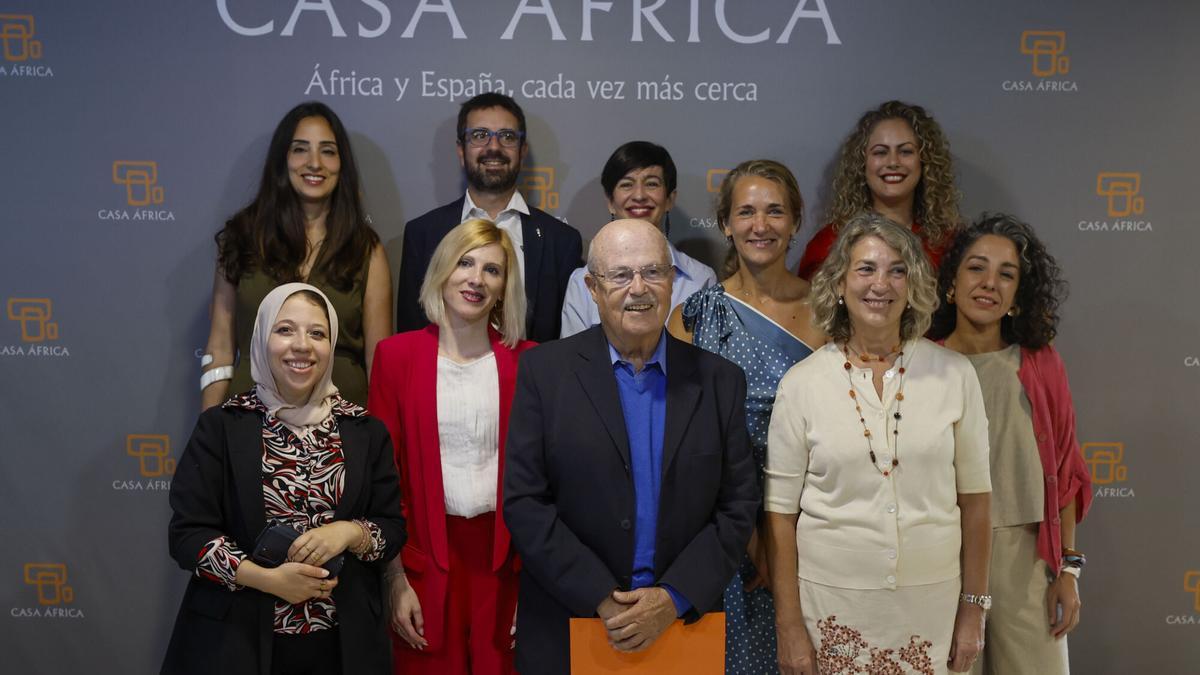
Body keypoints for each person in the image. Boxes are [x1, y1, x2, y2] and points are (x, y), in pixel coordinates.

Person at [502, 219, 759, 675]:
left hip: (682, 628)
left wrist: (672, 598)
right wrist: (601, 596)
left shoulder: (721, 381)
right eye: (620, 275)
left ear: (672, 282)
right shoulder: (544, 373)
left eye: (653, 272)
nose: (638, 288)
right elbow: (525, 502)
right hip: (572, 620)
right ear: (592, 288)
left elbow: (737, 506)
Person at [766, 213, 992, 675]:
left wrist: (974, 608)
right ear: (839, 282)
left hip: (933, 611)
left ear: (913, 285)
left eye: (897, 270)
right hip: (829, 610)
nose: (880, 284)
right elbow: (779, 515)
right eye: (866, 268)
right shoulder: (802, 385)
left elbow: (977, 503)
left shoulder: (955, 375)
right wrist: (788, 625)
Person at [164, 283, 405, 675]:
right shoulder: (221, 427)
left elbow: (392, 528)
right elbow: (187, 535)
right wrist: (265, 579)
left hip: (344, 647)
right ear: (261, 338)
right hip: (236, 644)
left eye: (317, 333)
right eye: (285, 330)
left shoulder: (364, 430)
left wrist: (347, 533)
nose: (302, 346)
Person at [666, 159, 824, 674]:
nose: (761, 225)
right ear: (726, 224)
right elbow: (681, 445)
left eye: (775, 211)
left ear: (796, 221)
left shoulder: (833, 313)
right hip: (725, 535)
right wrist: (745, 533)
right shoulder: (692, 318)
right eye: (747, 212)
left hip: (818, 526)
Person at [368, 219, 535, 675]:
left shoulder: (531, 362)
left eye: (492, 270)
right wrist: (395, 578)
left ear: (504, 288)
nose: (476, 279)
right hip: (423, 566)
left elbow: (545, 483)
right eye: (465, 263)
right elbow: (384, 481)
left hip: (506, 569)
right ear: (443, 270)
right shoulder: (395, 358)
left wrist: (536, 588)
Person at [928, 214, 1092, 674]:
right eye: (977, 268)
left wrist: (1068, 570)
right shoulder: (921, 363)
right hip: (943, 558)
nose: (989, 283)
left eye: (1007, 274)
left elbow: (1067, 471)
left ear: (1019, 295)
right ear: (951, 281)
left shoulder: (1041, 364)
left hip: (1027, 561)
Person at [201, 101, 392, 409]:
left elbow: (379, 363)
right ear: (282, 159)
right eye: (300, 149)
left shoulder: (366, 249)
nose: (314, 162)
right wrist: (208, 433)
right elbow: (220, 346)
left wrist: (378, 446)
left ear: (341, 164)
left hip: (340, 427)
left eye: (328, 151)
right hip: (251, 421)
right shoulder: (241, 238)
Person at [396, 92, 582, 342]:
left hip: (530, 380)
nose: (494, 147)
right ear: (461, 151)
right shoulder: (423, 234)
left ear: (522, 150)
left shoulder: (561, 241)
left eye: (507, 136)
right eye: (480, 135)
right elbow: (411, 338)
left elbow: (568, 346)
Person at [561, 141, 715, 337]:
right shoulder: (582, 281)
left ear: (669, 199)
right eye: (626, 184)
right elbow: (575, 359)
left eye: (651, 184)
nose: (640, 195)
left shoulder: (701, 279)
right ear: (610, 201)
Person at [795, 100, 962, 280]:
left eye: (905, 151)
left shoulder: (948, 244)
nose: (893, 162)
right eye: (880, 152)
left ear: (924, 162)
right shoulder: (829, 244)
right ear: (862, 164)